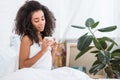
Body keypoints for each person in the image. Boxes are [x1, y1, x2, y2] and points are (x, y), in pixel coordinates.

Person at [0, 0, 91, 80]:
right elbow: (23, 65)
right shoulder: (27, 39)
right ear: (28, 22)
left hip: (45, 73)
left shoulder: (44, 37)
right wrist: (43, 51)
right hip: (32, 74)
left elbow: (48, 64)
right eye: (36, 20)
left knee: (73, 74)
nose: (41, 23)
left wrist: (54, 50)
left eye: (42, 18)